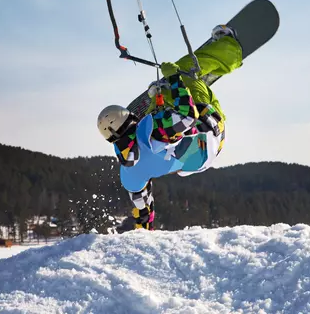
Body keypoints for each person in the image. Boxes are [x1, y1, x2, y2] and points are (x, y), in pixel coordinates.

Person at [97, 25, 242, 230]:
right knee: (185, 72)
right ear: (129, 119)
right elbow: (188, 117)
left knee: (164, 110)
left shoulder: (127, 171)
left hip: (197, 161)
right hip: (212, 131)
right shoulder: (152, 130)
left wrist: (144, 230)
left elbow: (143, 207)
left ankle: (169, 96)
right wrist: (174, 78)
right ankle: (231, 48)